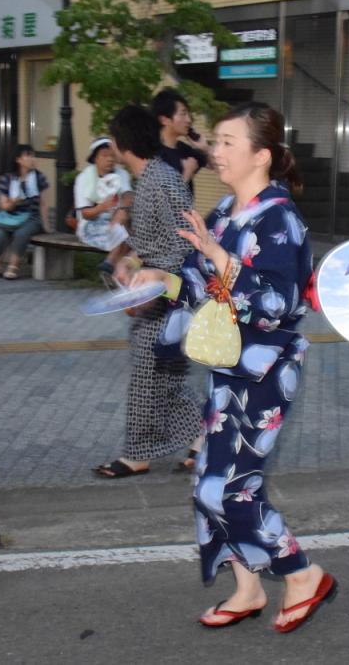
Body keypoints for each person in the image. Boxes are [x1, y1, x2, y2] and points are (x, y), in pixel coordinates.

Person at [136, 102, 336, 633]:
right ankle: (247, 586)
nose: (214, 151)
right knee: (208, 481)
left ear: (261, 155)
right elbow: (201, 287)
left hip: (266, 372)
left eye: (227, 142)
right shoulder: (225, 212)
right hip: (228, 370)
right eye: (215, 141)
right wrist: (161, 281)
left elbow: (277, 304)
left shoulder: (282, 219)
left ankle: (301, 572)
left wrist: (219, 258)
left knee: (230, 489)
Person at [93, 105, 200, 479]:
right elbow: (154, 239)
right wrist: (132, 261)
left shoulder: (161, 180)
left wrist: (159, 278)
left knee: (149, 374)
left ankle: (139, 454)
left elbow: (188, 241)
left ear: (122, 144)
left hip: (168, 294)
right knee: (164, 377)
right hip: (157, 292)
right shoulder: (154, 177)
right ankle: (206, 435)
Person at [0, 144, 50, 280]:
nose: (32, 159)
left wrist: (46, 226)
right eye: (28, 156)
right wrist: (14, 202)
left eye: (33, 155)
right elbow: (4, 206)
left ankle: (13, 266)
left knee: (21, 233)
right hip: (10, 216)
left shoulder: (39, 178)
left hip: (32, 217)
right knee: (0, 234)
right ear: (18, 160)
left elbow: (44, 203)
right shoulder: (7, 179)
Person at [73, 136, 132, 270]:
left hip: (118, 221)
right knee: (127, 236)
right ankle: (112, 267)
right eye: (105, 155)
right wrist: (102, 207)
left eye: (112, 155)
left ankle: (111, 266)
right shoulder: (84, 179)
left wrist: (120, 213)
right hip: (91, 225)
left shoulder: (121, 174)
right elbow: (85, 214)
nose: (110, 159)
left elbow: (128, 196)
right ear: (95, 158)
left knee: (126, 229)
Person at [151, 88, 210, 195]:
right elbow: (164, 201)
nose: (189, 120)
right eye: (183, 114)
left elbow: (217, 166)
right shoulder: (154, 154)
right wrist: (187, 173)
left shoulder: (183, 148)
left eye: (188, 114)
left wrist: (205, 149)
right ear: (164, 120)